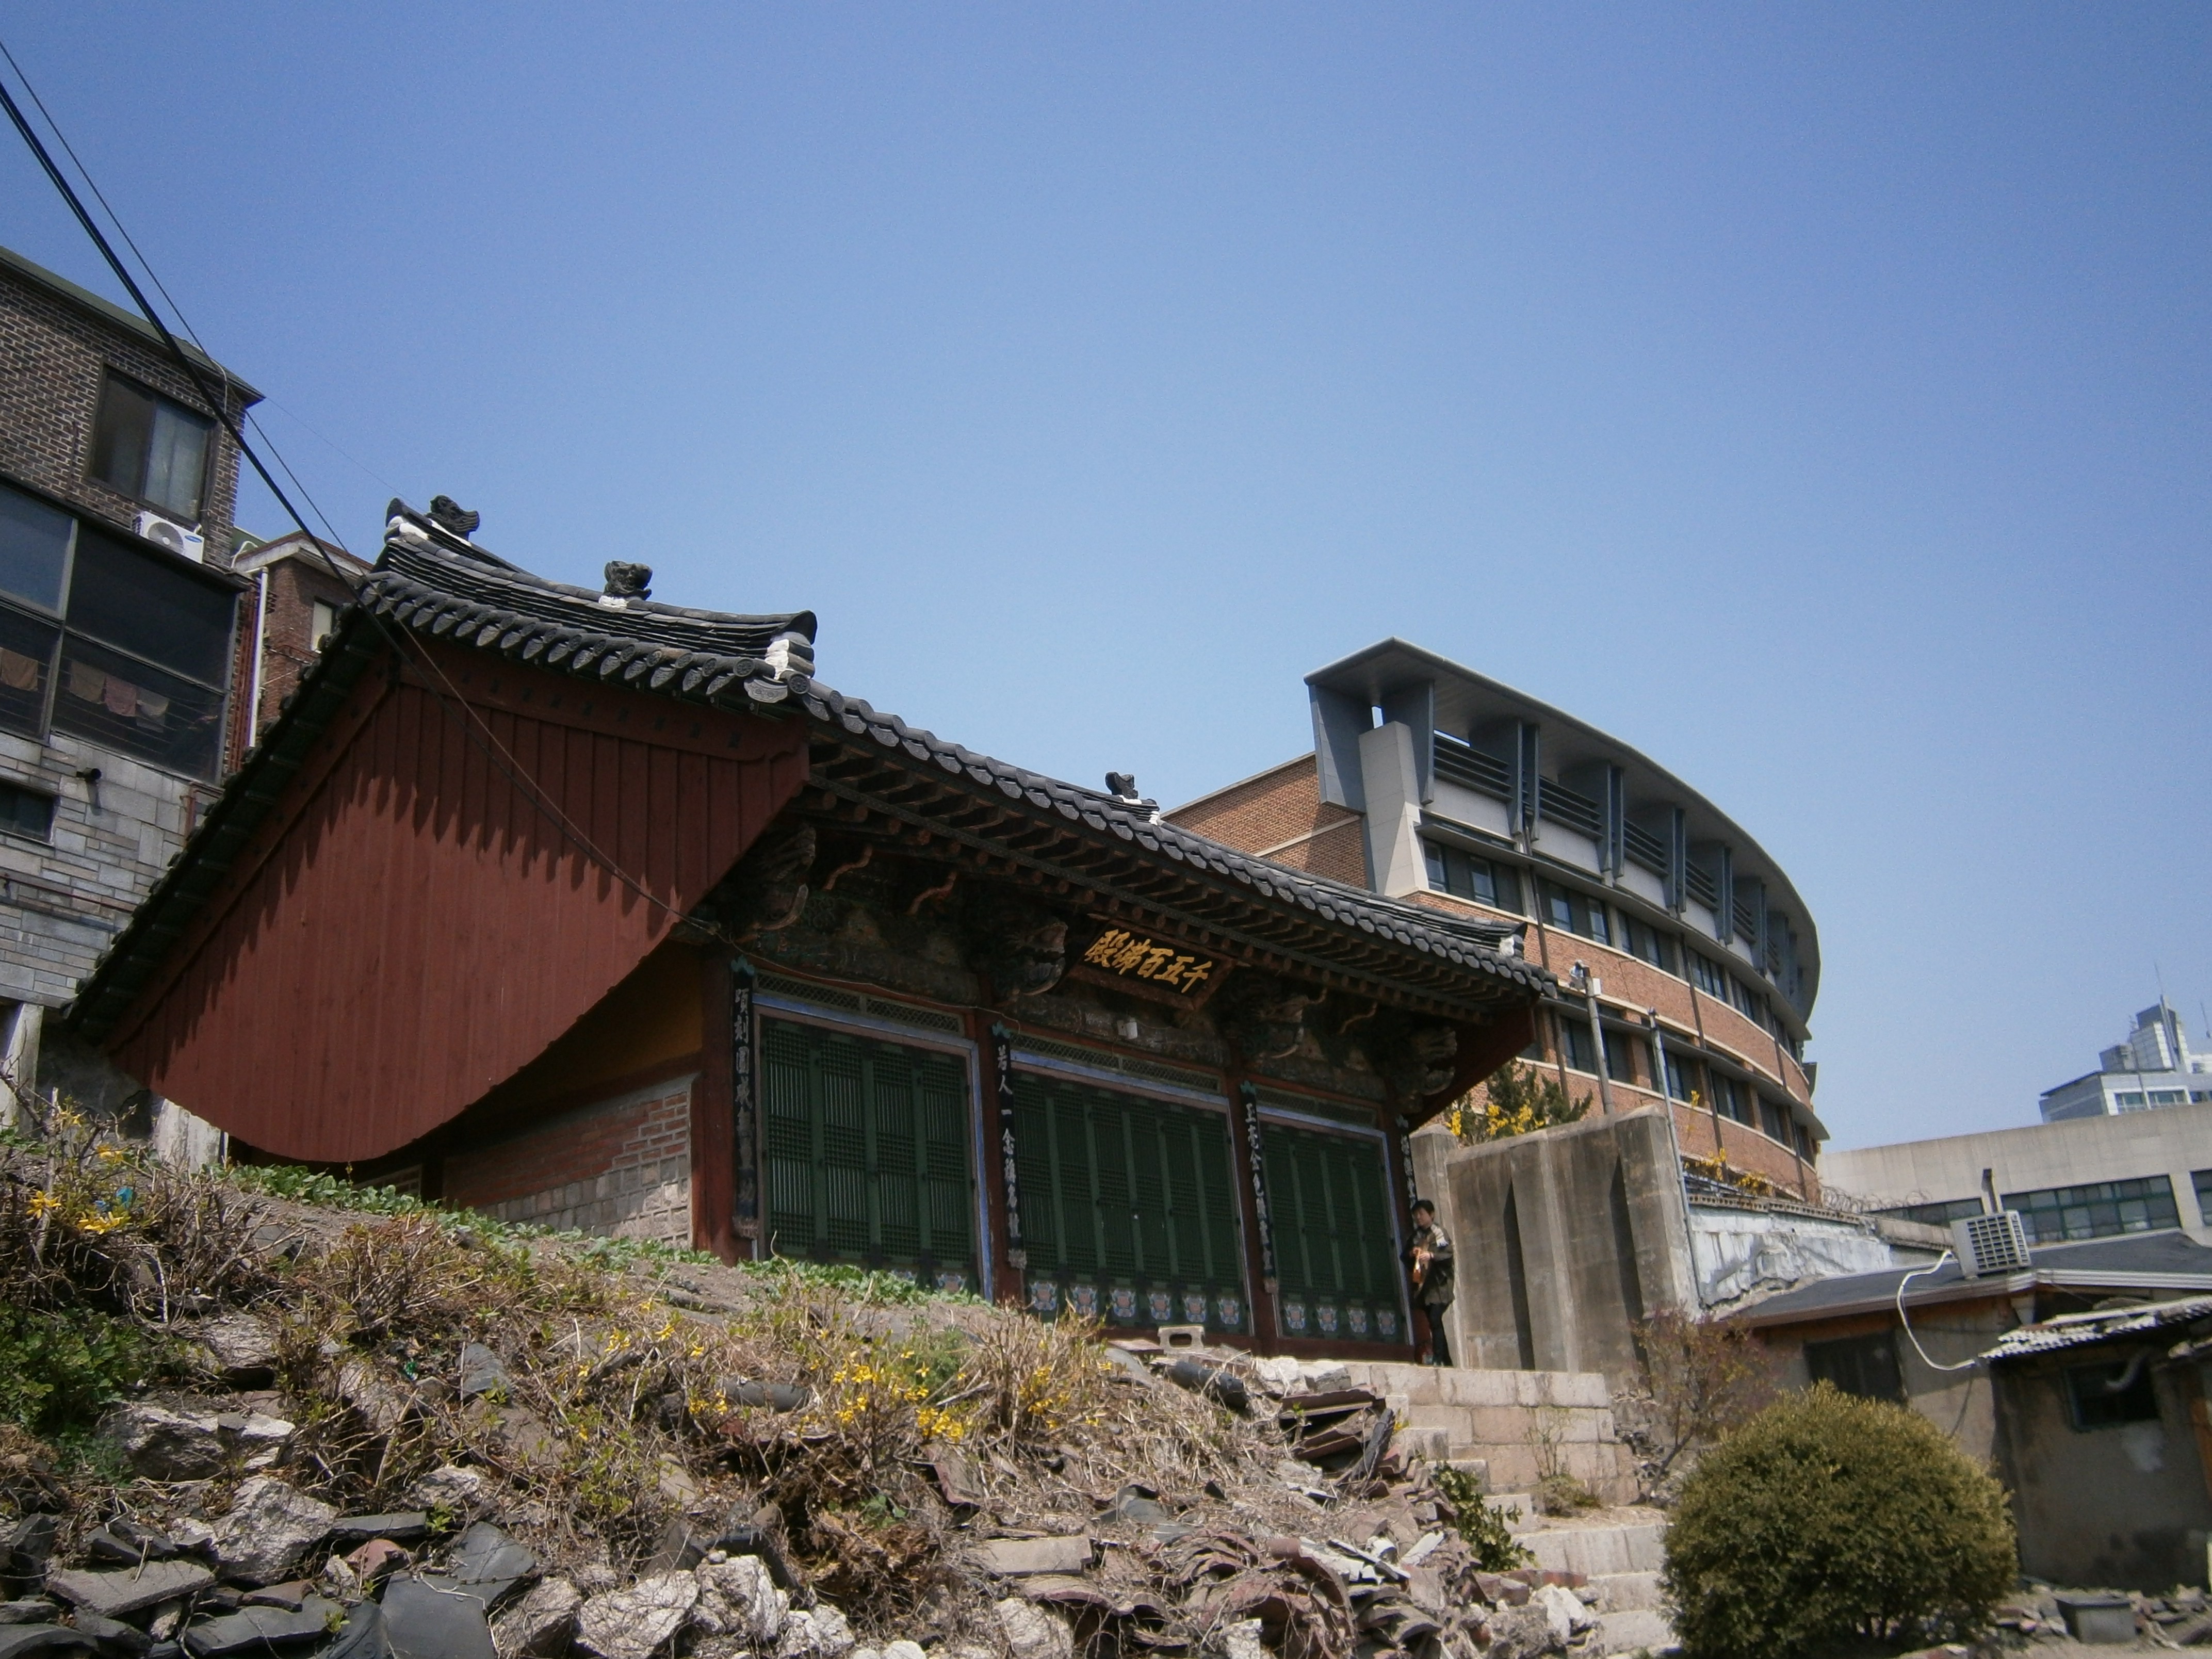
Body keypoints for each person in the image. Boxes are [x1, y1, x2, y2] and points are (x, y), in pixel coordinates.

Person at [1403, 1198, 1455, 1367]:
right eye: (1416, 1214)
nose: (1419, 1217)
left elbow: (1448, 1254)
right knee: (1434, 1322)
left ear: (1431, 1215)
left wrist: (1432, 1256)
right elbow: (1404, 1256)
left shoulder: (1440, 1233)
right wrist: (1412, 1254)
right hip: (1424, 1286)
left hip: (1439, 1285)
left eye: (1422, 1214)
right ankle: (1446, 1360)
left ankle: (1439, 1358)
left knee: (1435, 1318)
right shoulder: (1416, 1236)